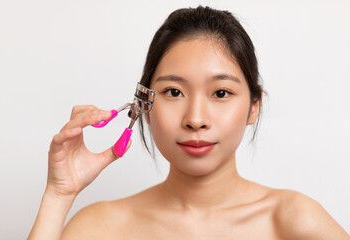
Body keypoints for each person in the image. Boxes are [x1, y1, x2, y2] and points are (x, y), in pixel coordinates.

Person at [28, 6, 350, 239]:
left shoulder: (293, 221)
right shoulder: (100, 228)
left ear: (254, 107)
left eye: (221, 92)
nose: (195, 119)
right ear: (145, 105)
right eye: (174, 91)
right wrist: (59, 195)